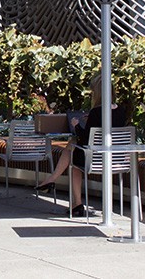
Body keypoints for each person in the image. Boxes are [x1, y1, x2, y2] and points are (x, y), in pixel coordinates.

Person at [35, 73, 129, 217]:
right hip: (116, 159)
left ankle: (71, 198)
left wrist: (76, 125)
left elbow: (85, 139)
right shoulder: (121, 111)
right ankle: (53, 181)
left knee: (74, 160)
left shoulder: (96, 112)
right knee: (72, 146)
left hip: (96, 160)